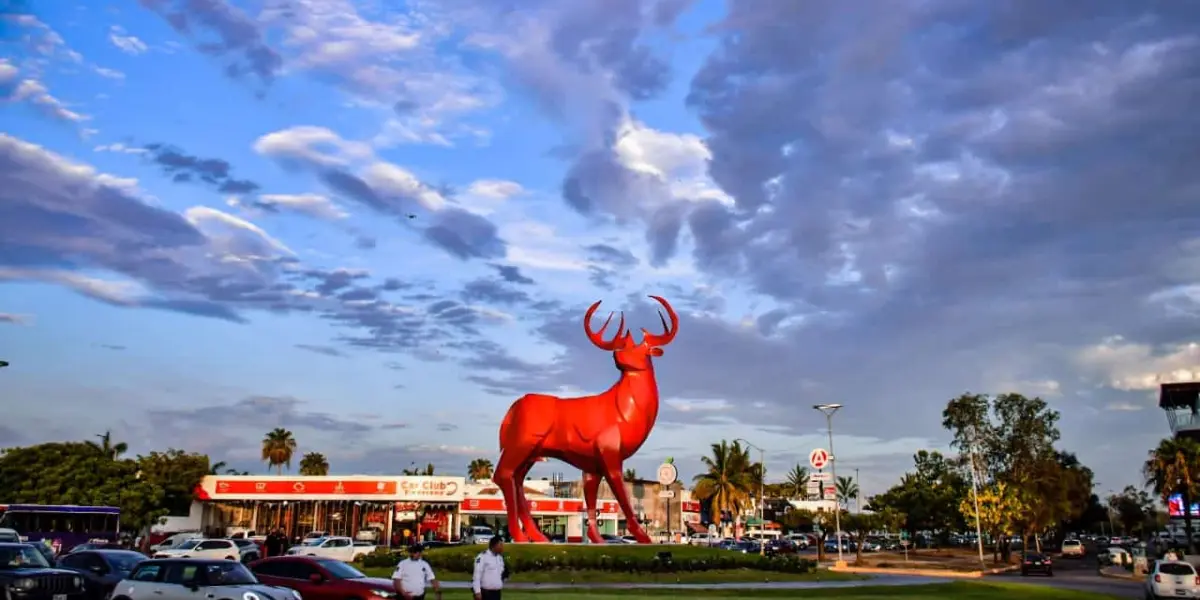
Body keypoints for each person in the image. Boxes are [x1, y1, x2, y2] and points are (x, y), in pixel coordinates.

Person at [472, 535, 507, 600]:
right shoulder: (482, 557)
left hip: (497, 593)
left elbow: (501, 574)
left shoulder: (500, 558)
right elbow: (477, 575)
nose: (502, 547)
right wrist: (477, 592)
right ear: (494, 545)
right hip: (486, 593)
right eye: (500, 545)